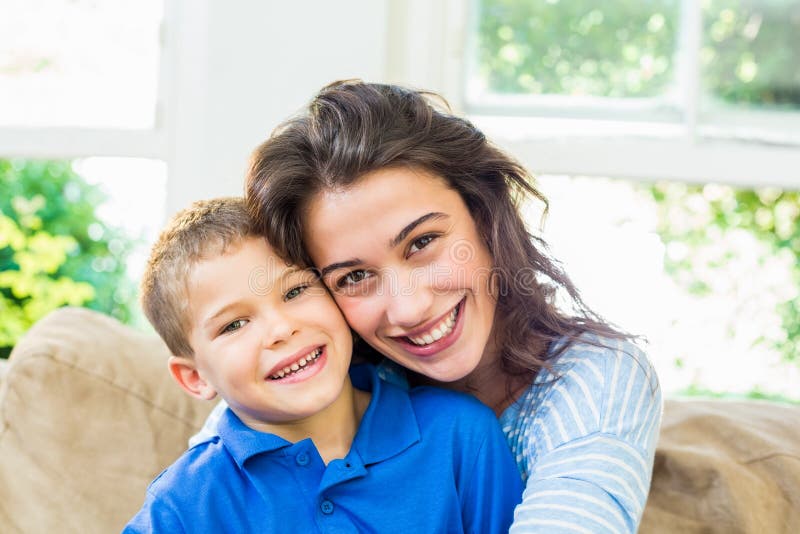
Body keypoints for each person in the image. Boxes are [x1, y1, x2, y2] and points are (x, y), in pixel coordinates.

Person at [197, 80, 664, 533]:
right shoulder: (316, 376)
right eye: (354, 277)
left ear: (484, 215)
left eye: (423, 242)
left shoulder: (599, 379)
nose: (408, 309)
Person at [124, 197, 523, 533]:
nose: (282, 329)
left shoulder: (460, 436)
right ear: (194, 378)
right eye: (235, 324)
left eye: (296, 290)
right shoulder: (182, 506)